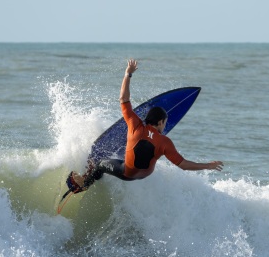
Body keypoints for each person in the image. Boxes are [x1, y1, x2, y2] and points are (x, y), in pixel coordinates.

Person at [67, 59, 223, 193]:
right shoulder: (164, 142)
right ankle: (93, 178)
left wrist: (128, 73)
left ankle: (85, 183)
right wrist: (208, 166)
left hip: (126, 172)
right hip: (142, 175)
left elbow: (123, 98)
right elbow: (183, 165)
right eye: (165, 122)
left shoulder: (135, 125)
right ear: (161, 122)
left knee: (100, 164)